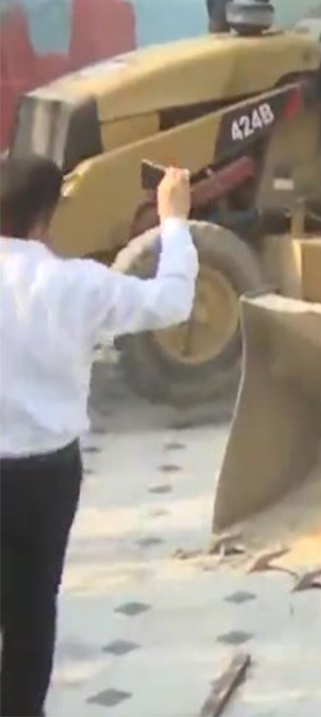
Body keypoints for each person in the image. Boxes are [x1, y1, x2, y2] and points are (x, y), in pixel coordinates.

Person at [0, 155, 198, 717]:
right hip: (47, 475)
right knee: (33, 612)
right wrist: (174, 222)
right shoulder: (77, 285)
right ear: (47, 217)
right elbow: (173, 301)